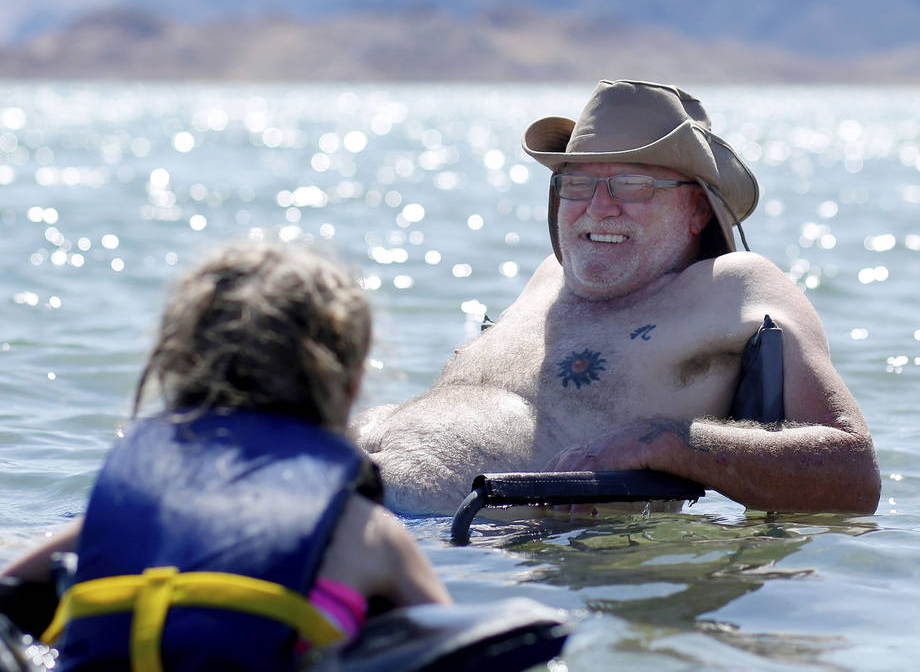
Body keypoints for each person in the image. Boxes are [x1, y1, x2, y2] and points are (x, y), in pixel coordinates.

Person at [352, 79, 881, 517]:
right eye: (577, 183)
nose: (598, 208)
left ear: (697, 210)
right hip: (328, 498)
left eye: (631, 185)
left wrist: (665, 443)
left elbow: (854, 474)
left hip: (466, 554)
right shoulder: (548, 277)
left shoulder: (733, 285)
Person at [1, 241, 450, 669]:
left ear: (180, 365)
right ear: (350, 386)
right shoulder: (367, 532)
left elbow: (11, 591)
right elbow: (465, 648)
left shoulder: (122, 509)